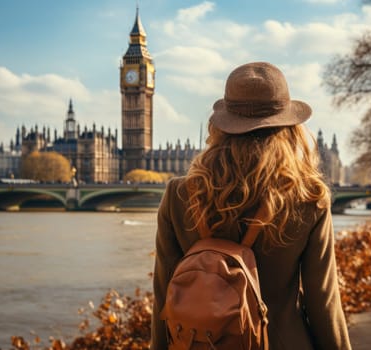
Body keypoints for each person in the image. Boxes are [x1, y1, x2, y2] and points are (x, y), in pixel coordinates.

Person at [151, 62, 352, 350]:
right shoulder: (309, 199)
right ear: (288, 128)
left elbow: (164, 298)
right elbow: (324, 303)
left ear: (222, 125)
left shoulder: (180, 194)